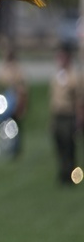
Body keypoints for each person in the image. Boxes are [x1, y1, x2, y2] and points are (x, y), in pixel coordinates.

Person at [49, 44, 83, 185]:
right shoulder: (57, 76)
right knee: (59, 145)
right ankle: (62, 172)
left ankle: (72, 176)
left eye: (62, 56)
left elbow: (79, 100)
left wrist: (80, 119)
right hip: (57, 116)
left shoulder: (74, 76)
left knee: (70, 146)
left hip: (69, 116)